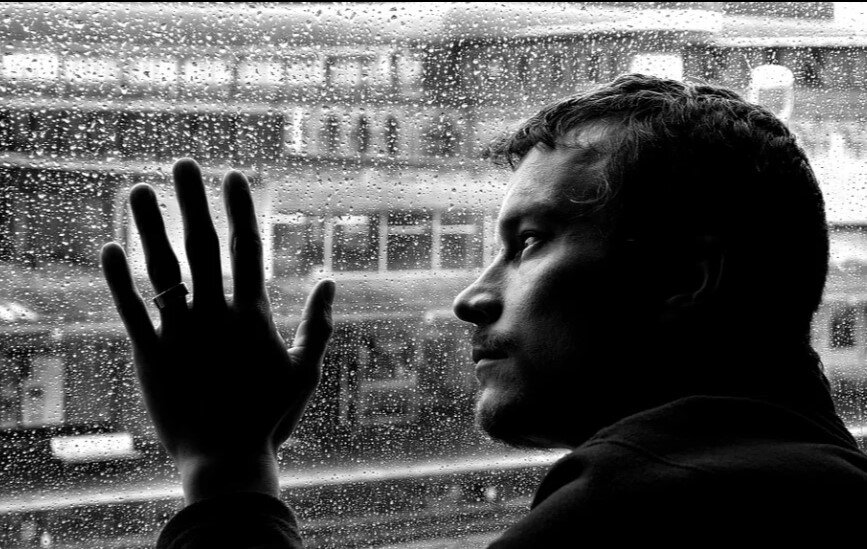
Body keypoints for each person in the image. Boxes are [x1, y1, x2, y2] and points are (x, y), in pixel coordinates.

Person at [100, 75, 867, 547]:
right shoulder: (819, 482)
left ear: (684, 277)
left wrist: (226, 469)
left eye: (528, 242)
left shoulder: (642, 511)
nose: (470, 297)